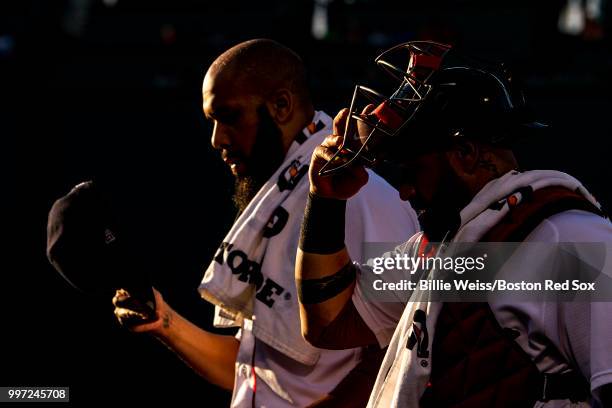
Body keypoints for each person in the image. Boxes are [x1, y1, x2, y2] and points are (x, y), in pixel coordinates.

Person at [296, 41, 612, 407]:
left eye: (413, 170)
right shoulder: (442, 250)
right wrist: (325, 201)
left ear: (465, 153)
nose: (404, 190)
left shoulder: (566, 240)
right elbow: (329, 322)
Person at [113, 39, 419, 407]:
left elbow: (397, 355)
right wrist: (165, 323)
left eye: (229, 117)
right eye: (212, 121)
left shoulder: (364, 198)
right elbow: (253, 373)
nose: (216, 139)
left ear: (281, 105)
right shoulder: (274, 201)